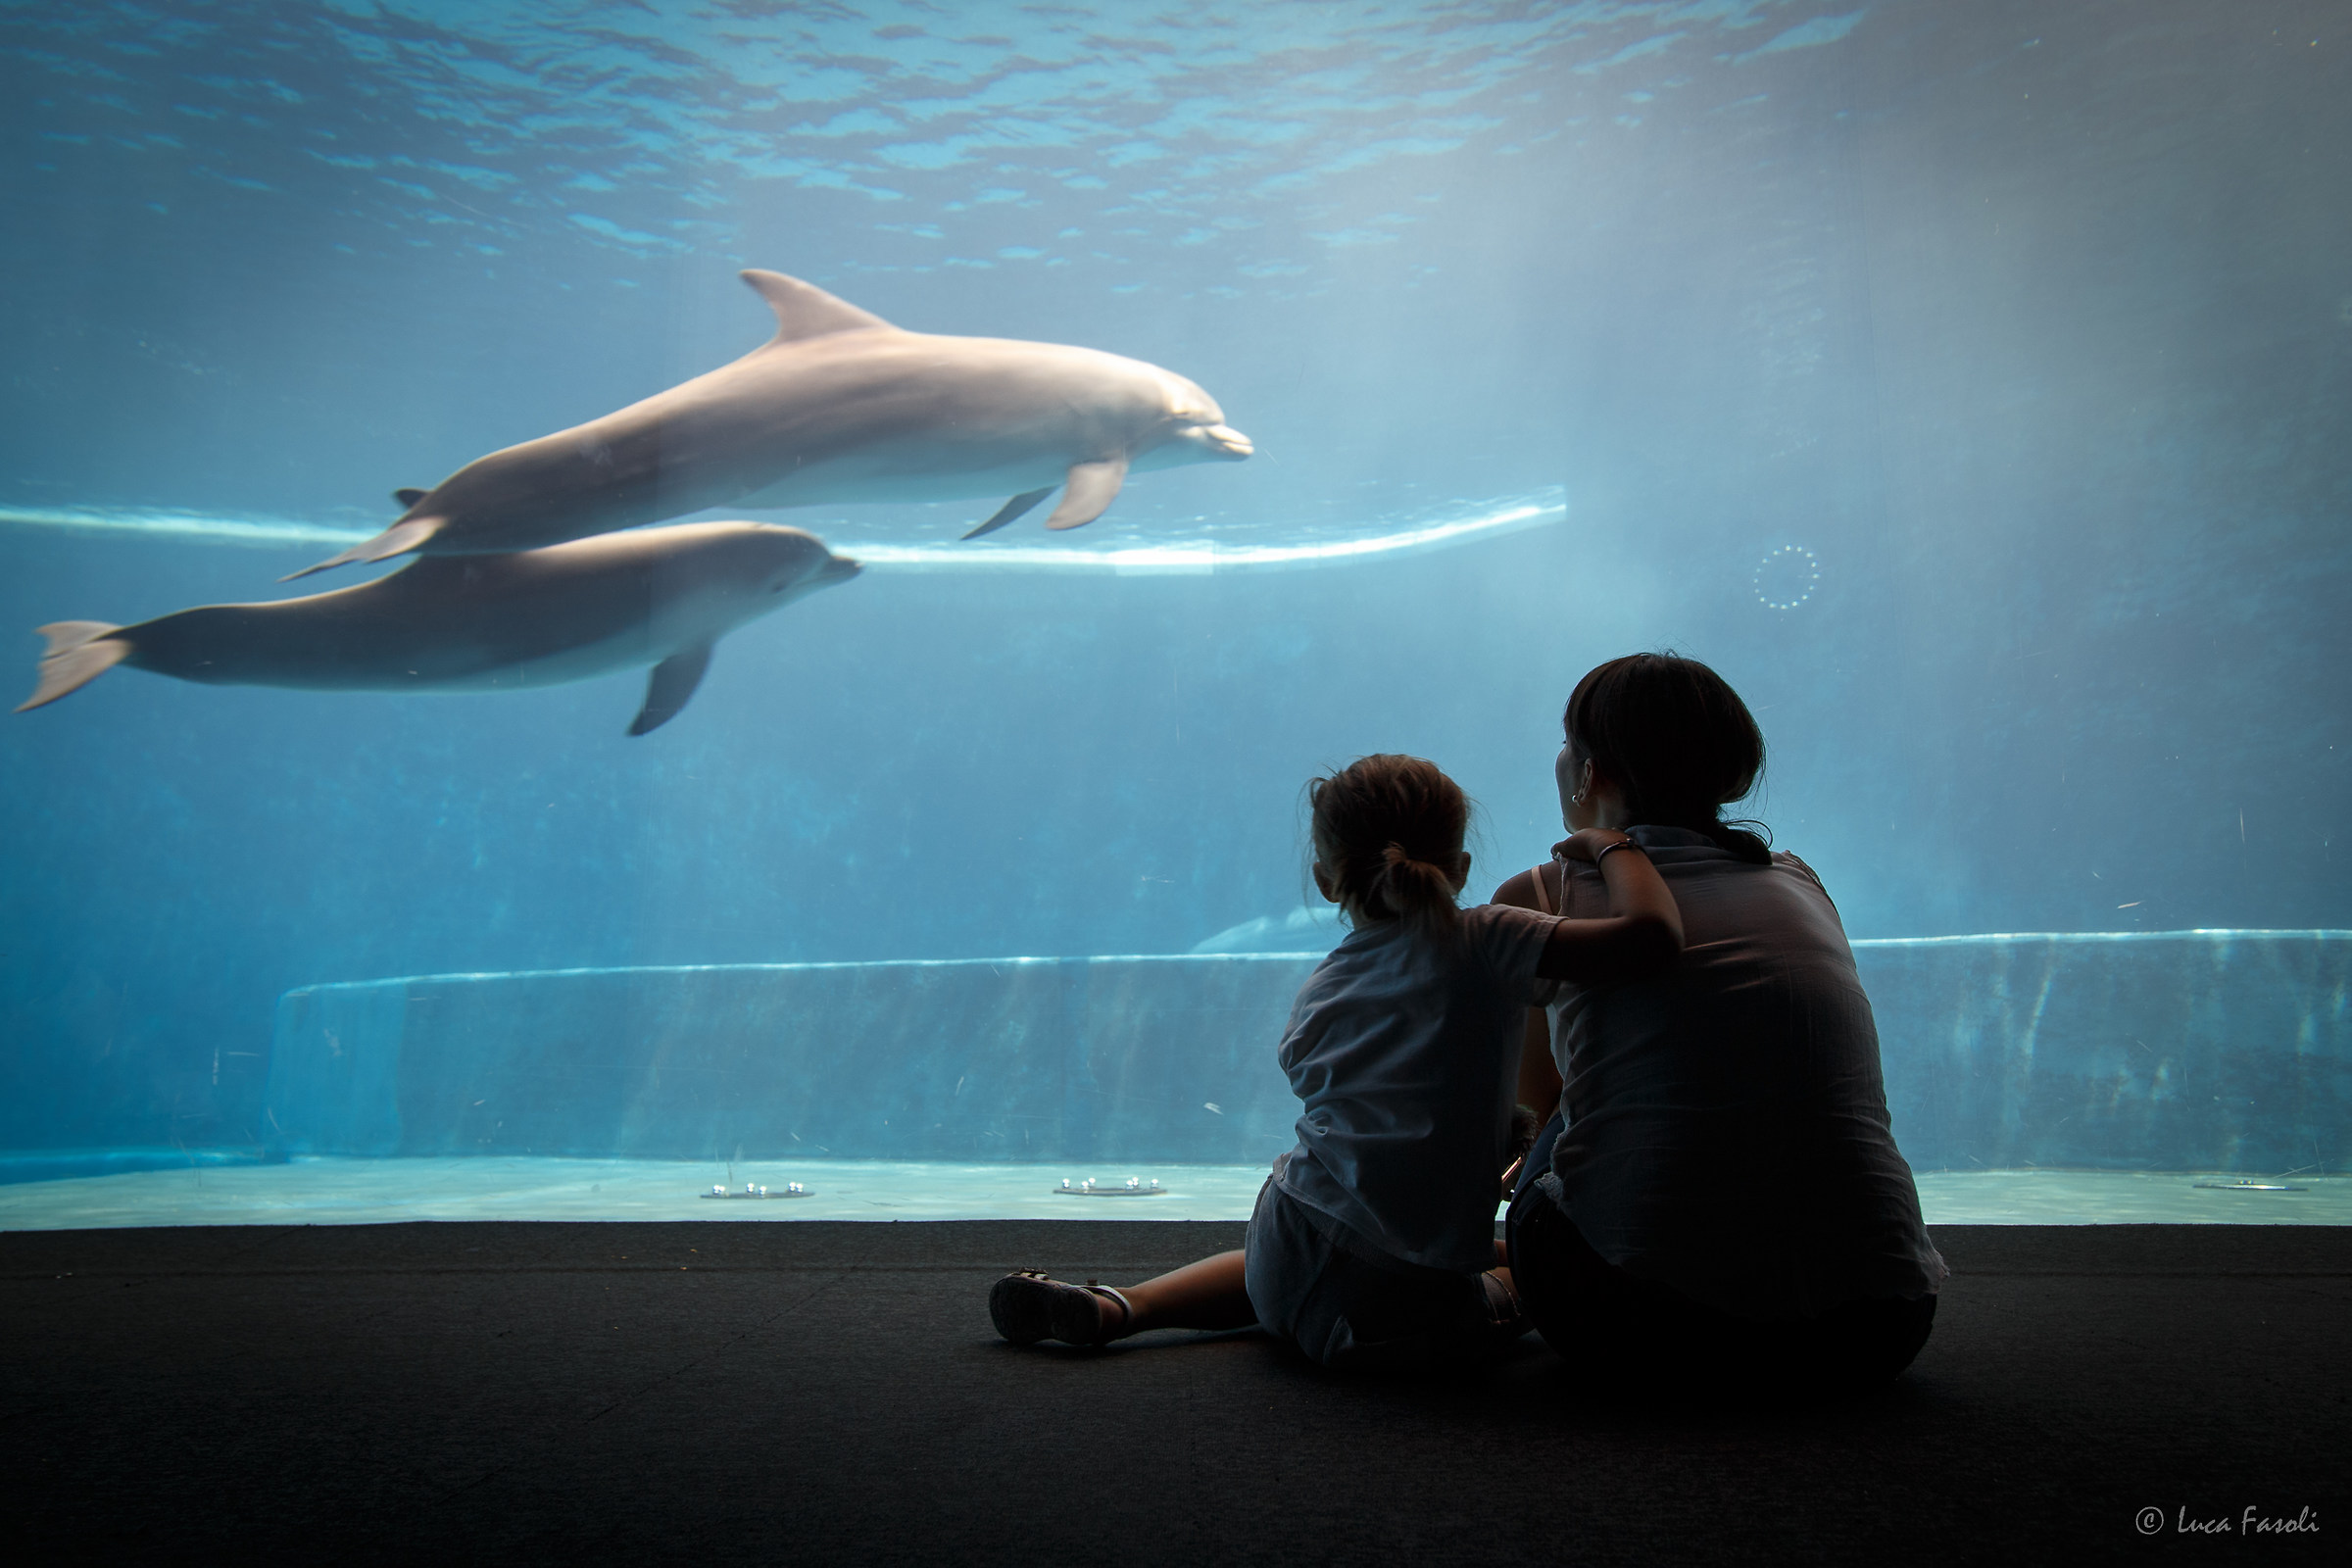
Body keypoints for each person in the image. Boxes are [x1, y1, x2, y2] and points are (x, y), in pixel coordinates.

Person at [989, 753, 1686, 1368]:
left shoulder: (1321, 989)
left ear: (1327, 880)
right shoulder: (1494, 936)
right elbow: (1651, 940)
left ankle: (1123, 1306)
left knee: (1313, 1250)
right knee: (1524, 1274)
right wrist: (1614, 848)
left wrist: (1490, 1121)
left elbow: (1376, 1099)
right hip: (1397, 1313)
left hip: (1286, 1243)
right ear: (1462, 869)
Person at [1496, 653, 1946, 1392]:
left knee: (1553, 1124)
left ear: (1589, 773)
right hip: (1879, 1326)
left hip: (1642, 1326)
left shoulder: (1544, 892)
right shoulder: (1799, 880)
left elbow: (1536, 1104)